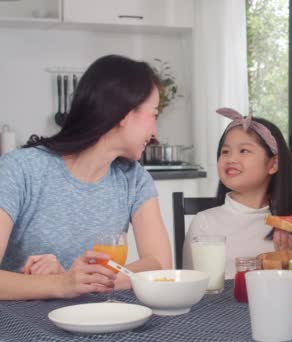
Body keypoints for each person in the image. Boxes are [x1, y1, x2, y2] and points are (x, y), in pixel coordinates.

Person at [0, 55, 172, 300]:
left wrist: (85, 280)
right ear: (125, 114)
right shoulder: (20, 170)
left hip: (98, 317)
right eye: (153, 114)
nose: (155, 132)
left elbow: (159, 264)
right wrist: (61, 284)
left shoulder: (133, 178)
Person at [183, 108, 292, 278]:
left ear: (273, 164)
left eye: (244, 150)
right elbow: (191, 288)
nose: (231, 159)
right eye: (225, 151)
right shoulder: (204, 223)